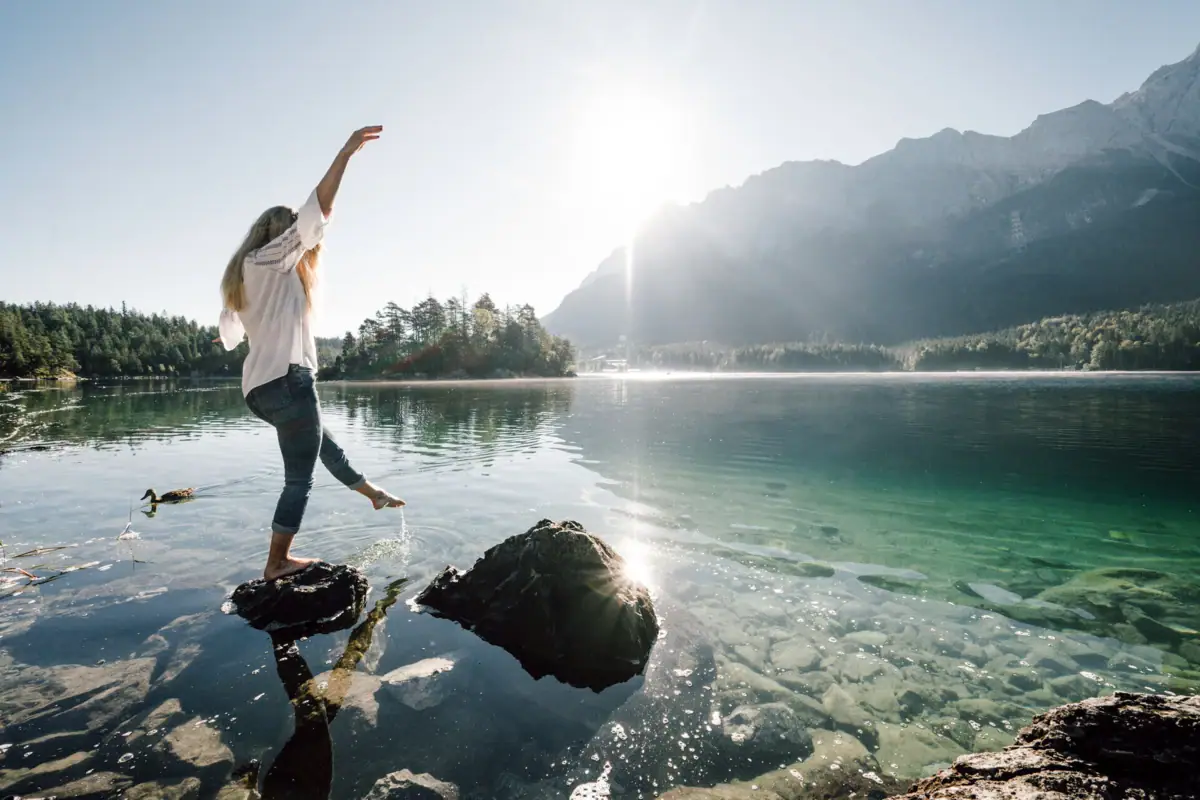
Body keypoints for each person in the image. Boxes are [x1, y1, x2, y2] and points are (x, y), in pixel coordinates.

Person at [218, 125, 404, 581]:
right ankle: (277, 562)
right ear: (280, 234)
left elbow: (227, 334)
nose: (305, 244)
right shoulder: (273, 258)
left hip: (259, 391)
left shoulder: (243, 277)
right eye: (295, 236)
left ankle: (372, 493)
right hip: (288, 380)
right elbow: (317, 209)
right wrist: (346, 153)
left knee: (321, 445)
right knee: (299, 478)